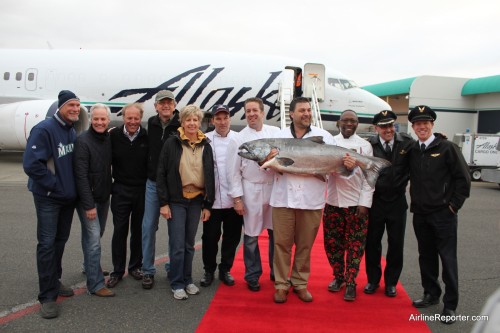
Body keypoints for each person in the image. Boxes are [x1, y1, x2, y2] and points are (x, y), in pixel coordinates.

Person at [408, 105, 471, 324]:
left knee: (447, 259)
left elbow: (464, 180)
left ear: (432, 125)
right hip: (421, 214)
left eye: (425, 123)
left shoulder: (447, 148)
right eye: (417, 123)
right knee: (426, 257)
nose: (422, 126)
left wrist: (453, 206)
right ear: (413, 127)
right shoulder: (413, 150)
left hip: (444, 215)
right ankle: (431, 294)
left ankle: (450, 305)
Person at [270, 96, 336, 303]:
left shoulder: (324, 136)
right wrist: (268, 160)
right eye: (302, 111)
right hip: (283, 199)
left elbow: (336, 167)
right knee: (282, 244)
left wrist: (349, 165)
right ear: (291, 114)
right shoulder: (278, 137)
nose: (307, 113)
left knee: (305, 245)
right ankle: (281, 284)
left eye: (309, 110)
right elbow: (263, 166)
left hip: (311, 199)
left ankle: (300, 283)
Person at [23, 90, 80, 319]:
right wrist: (54, 185)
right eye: (70, 106)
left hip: (67, 199)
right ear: (60, 107)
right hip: (49, 197)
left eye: (77, 105)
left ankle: (54, 281)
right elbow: (31, 164)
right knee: (46, 244)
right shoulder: (44, 129)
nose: (75, 109)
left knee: (59, 242)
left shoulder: (71, 130)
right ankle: (47, 296)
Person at [157, 104, 215, 300]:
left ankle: (188, 279)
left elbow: (210, 175)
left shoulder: (206, 145)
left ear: (200, 122)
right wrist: (163, 203)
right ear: (182, 122)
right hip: (177, 200)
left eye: (195, 120)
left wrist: (208, 204)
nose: (192, 123)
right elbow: (162, 173)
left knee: (189, 244)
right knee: (177, 245)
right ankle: (177, 283)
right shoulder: (172, 143)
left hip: (196, 200)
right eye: (188, 120)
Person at [226, 97, 281, 292]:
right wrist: (237, 199)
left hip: (273, 188)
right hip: (251, 190)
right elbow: (233, 172)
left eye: (254, 110)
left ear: (262, 112)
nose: (251, 114)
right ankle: (252, 275)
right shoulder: (238, 138)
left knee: (276, 234)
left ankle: (277, 272)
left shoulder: (275, 133)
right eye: (248, 111)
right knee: (251, 236)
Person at [323, 109, 374, 302]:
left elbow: (369, 179)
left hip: (356, 204)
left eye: (353, 121)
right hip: (333, 202)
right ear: (339, 123)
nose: (349, 124)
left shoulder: (365, 146)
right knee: (332, 244)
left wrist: (364, 203)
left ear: (357, 123)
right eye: (345, 121)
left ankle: (351, 282)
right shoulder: (330, 142)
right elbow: (325, 171)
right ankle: (338, 277)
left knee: (355, 245)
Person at [364, 110, 413, 297]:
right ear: (376, 128)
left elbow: (424, 150)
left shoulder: (407, 143)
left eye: (391, 125)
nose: (388, 130)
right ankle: (373, 280)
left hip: (397, 202)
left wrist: (439, 139)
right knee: (373, 243)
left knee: (396, 244)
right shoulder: (370, 145)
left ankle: (391, 282)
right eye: (384, 126)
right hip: (376, 202)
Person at [73, 103, 115, 297]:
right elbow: (80, 175)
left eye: (103, 119)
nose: (99, 122)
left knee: (96, 235)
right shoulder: (83, 141)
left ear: (108, 120)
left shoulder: (108, 138)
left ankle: (89, 266)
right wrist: (88, 205)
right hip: (88, 201)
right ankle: (96, 284)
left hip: (103, 197)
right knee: (93, 241)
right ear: (90, 119)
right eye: (96, 119)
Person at [107, 103, 149, 288]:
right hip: (121, 190)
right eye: (129, 118)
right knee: (119, 231)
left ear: (141, 118)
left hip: (141, 190)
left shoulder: (147, 136)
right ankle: (117, 271)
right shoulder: (113, 135)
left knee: (138, 231)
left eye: (136, 118)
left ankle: (135, 266)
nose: (133, 122)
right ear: (123, 118)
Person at [141, 90, 180, 290]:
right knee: (148, 227)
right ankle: (147, 270)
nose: (165, 106)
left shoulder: (181, 125)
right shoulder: (151, 124)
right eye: (161, 103)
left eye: (169, 103)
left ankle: (172, 267)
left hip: (174, 186)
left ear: (174, 105)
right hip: (153, 184)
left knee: (174, 230)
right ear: (156, 106)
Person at [201, 105, 243, 287]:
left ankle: (225, 269)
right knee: (210, 238)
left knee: (232, 237)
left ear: (229, 119)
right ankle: (208, 270)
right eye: (218, 118)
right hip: (212, 200)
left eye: (225, 118)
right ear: (212, 121)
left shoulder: (238, 139)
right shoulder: (205, 140)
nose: (222, 122)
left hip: (234, 198)